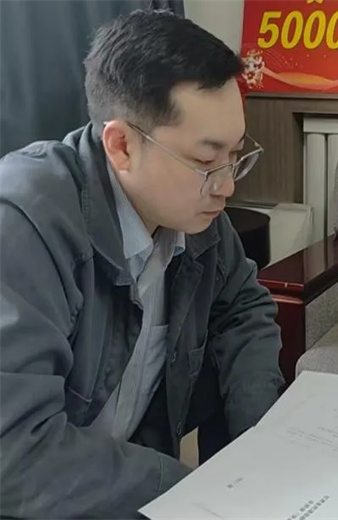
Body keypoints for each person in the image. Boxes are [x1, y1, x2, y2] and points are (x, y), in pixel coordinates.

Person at [0, 10, 284, 519]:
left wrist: (256, 445)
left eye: (235, 155)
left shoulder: (196, 219)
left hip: (126, 486)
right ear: (122, 146)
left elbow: (244, 310)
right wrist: (187, 491)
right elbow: (13, 454)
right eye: (205, 161)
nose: (226, 185)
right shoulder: (24, 225)